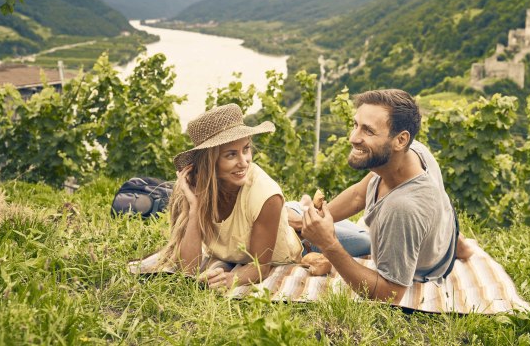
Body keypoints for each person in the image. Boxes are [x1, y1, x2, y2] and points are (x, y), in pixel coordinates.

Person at [300, 89, 474, 303]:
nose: (353, 138)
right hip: (445, 226)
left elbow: (390, 294)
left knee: (309, 226)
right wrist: (309, 223)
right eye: (356, 125)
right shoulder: (413, 151)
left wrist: (329, 245)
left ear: (400, 140)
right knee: (303, 220)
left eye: (368, 131)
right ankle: (454, 243)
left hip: (429, 263)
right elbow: (357, 195)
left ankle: (451, 247)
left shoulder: (401, 210)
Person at [158, 103, 302, 288]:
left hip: (301, 246)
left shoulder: (266, 195)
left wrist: (230, 279)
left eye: (246, 149)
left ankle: (300, 209)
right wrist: (195, 208)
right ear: (210, 163)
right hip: (265, 218)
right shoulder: (197, 188)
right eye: (231, 155)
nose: (244, 162)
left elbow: (261, 267)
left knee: (344, 237)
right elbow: (187, 270)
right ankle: (296, 208)